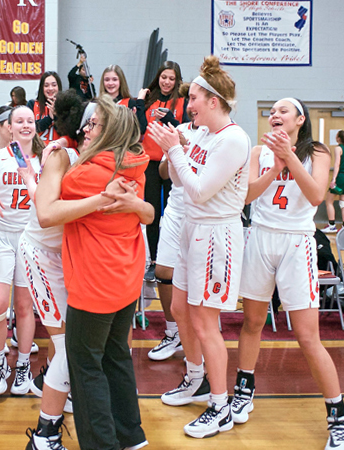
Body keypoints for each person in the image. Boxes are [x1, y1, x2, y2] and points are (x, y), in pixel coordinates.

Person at [230, 98, 344, 450]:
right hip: (261, 238)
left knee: (307, 336)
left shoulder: (319, 152)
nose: (275, 115)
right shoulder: (256, 151)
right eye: (272, 111)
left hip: (297, 243)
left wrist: (290, 158)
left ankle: (338, 416)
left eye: (283, 110)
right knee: (252, 323)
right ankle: (243, 390)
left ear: (300, 119)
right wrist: (274, 164)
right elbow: (246, 196)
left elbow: (314, 197)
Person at [37, 95, 152, 450]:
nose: (86, 129)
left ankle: (101, 444)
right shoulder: (135, 165)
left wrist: (51, 158)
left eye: (94, 124)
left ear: (110, 130)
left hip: (95, 282)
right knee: (117, 357)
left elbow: (46, 213)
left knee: (85, 367)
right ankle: (131, 436)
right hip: (126, 278)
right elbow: (146, 213)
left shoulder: (87, 174)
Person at [149, 55, 251, 439]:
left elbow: (201, 190)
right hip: (193, 229)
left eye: (192, 97)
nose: (187, 104)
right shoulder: (204, 135)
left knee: (207, 323)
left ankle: (220, 405)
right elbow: (178, 179)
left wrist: (175, 148)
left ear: (212, 100)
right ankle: (193, 377)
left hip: (216, 235)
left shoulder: (235, 139)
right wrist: (172, 146)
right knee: (179, 307)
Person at [21, 90, 87, 449]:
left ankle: (52, 382)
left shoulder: (63, 149)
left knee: (68, 344)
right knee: (67, 347)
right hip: (41, 255)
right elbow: (46, 213)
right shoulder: (62, 153)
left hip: (61, 255)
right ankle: (45, 435)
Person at [0, 105, 44, 396]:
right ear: (9, 126)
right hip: (2, 237)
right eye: (19, 121)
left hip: (30, 238)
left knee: (24, 306)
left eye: (30, 120)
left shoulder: (45, 158)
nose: (25, 124)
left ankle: (22, 366)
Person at [148, 115, 201, 362]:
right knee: (162, 272)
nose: (191, 104)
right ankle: (173, 333)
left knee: (196, 279)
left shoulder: (222, 135)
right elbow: (162, 173)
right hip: (175, 209)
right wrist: (172, 150)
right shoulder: (179, 129)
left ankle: (196, 333)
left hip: (202, 213)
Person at [141, 62, 189, 281]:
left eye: (171, 78)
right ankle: (154, 261)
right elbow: (139, 126)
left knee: (174, 211)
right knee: (152, 213)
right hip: (149, 162)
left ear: (177, 80)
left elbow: (189, 128)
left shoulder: (183, 100)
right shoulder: (149, 98)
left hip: (173, 160)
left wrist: (171, 119)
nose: (167, 82)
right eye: (164, 77)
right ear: (158, 77)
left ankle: (175, 259)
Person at [98, 64, 147, 134]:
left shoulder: (130, 103)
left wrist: (140, 102)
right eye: (107, 80)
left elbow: (141, 129)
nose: (110, 83)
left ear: (121, 81)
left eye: (114, 79)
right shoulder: (98, 103)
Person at [27, 71, 63, 144]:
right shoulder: (32, 104)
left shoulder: (66, 106)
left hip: (58, 151)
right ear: (41, 88)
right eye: (46, 85)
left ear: (58, 87)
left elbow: (65, 133)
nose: (50, 88)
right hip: (36, 149)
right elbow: (29, 129)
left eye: (54, 85)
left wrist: (56, 116)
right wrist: (49, 118)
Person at [321, 130, 344, 233]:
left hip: (340, 176)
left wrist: (334, 179)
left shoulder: (338, 148)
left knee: (329, 201)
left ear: (338, 138)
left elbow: (337, 164)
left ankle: (331, 224)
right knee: (343, 202)